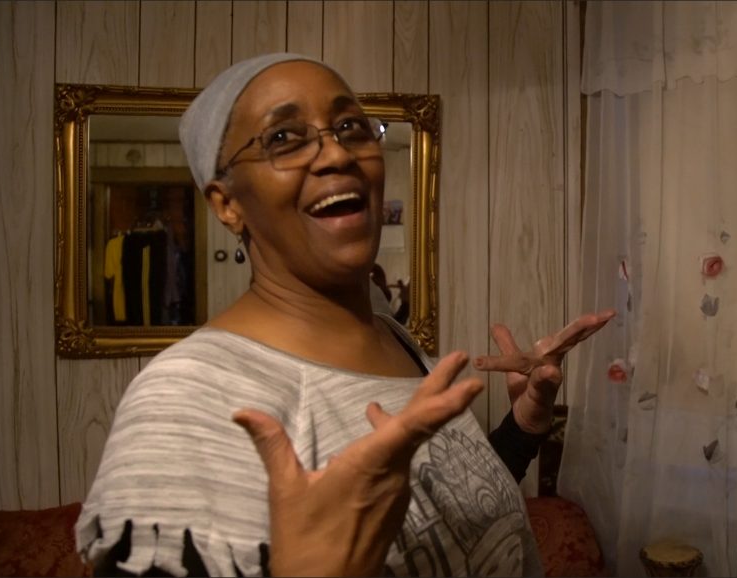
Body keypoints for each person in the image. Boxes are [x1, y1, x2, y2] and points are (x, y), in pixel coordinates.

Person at [75, 52, 614, 577]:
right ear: (226, 203)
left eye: (351, 126)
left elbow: (458, 517)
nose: (335, 154)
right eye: (283, 138)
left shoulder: (395, 340)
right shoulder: (189, 396)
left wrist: (522, 429)